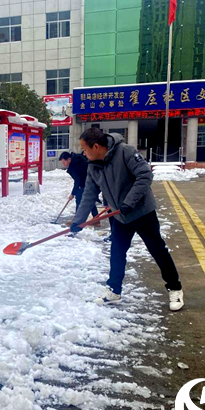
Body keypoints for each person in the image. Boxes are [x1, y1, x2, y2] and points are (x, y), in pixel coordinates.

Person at [70, 128, 184, 311]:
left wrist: (130, 202)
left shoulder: (126, 152)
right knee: (117, 252)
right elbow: (89, 194)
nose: (83, 153)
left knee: (157, 250)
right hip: (121, 217)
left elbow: (145, 175)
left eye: (85, 149)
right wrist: (78, 221)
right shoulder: (92, 165)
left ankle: (175, 288)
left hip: (142, 212)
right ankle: (114, 291)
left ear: (96, 146)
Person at [59, 151, 100, 218]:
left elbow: (77, 181)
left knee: (79, 199)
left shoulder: (75, 165)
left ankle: (77, 220)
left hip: (87, 182)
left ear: (69, 159)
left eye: (64, 162)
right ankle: (96, 219)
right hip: (86, 182)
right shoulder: (76, 161)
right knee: (89, 199)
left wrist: (73, 193)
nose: (63, 164)